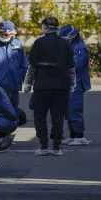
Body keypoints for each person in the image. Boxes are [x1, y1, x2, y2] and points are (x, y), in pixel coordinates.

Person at [23, 17, 75, 156]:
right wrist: (72, 83)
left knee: (40, 117)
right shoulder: (65, 45)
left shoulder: (39, 43)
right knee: (57, 118)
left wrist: (27, 84)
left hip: (42, 86)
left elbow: (32, 67)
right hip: (61, 87)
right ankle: (56, 147)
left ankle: (44, 145)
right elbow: (71, 68)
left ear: (44, 27)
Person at [59, 24, 91, 146]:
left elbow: (76, 65)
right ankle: (73, 135)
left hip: (77, 83)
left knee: (74, 109)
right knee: (68, 110)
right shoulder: (72, 46)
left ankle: (79, 136)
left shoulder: (79, 48)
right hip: (70, 82)